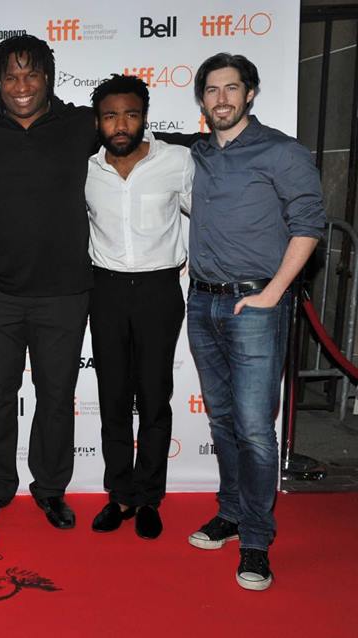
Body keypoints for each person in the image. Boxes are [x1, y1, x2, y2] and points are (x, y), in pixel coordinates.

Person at [185, 53, 324, 591]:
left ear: (250, 93)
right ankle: (231, 512)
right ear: (201, 99)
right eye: (212, 90)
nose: (221, 98)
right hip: (202, 303)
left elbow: (309, 224)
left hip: (256, 308)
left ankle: (257, 542)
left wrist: (272, 293)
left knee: (254, 432)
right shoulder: (195, 154)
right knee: (221, 423)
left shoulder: (283, 152)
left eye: (231, 88)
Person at [0, 34, 96, 530]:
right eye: (11, 76)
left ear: (48, 78)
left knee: (57, 396)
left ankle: (52, 488)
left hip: (64, 293)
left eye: (30, 74)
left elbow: (138, 140)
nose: (21, 85)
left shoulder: (83, 125)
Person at [84, 74, 193, 540]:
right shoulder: (86, 168)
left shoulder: (178, 161)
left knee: (153, 397)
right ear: (99, 122)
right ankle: (120, 494)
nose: (121, 124)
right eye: (111, 116)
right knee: (112, 398)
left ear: (144, 116)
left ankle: (149, 497)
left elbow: (208, 215)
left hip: (158, 291)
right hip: (105, 290)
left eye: (130, 114)